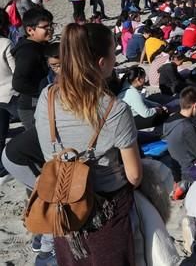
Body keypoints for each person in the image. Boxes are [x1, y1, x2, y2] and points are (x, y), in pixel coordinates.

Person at [34, 23, 141, 265]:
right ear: (101, 62)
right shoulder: (115, 110)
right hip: (106, 211)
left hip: (63, 207)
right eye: (114, 53)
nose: (115, 59)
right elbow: (134, 176)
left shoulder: (47, 97)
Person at [163, 86, 196, 201]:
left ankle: (181, 184)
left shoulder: (169, 121)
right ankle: (186, 185)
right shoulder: (187, 128)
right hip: (189, 171)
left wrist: (176, 178)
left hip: (176, 169)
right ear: (195, 105)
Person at [11, 8, 53, 129]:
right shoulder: (28, 51)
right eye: (45, 27)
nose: (50, 29)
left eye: (51, 24)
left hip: (42, 102)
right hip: (31, 106)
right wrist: (44, 93)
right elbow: (18, 83)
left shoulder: (41, 45)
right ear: (30, 30)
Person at [0, 11, 16, 183]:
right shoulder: (5, 43)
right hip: (9, 93)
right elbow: (15, 71)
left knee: (0, 134)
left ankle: (1, 171)